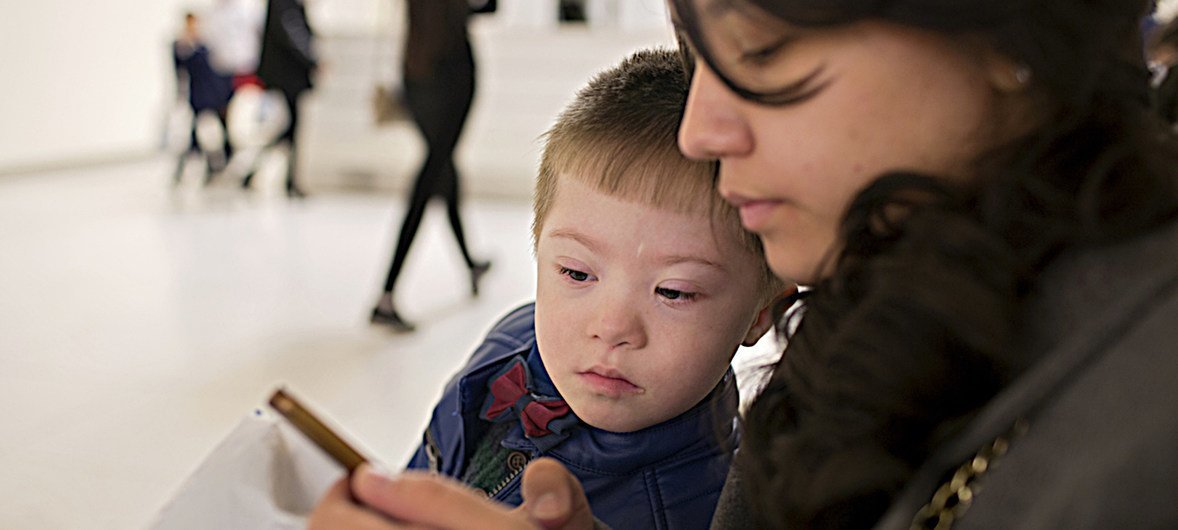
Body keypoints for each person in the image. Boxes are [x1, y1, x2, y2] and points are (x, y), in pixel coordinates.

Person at [311, 0, 1178, 527]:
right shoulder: (877, 301)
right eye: (697, 60)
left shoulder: (1138, 425)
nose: (702, 131)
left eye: (759, 53)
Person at [406, 48, 782, 529]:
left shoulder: (712, 512)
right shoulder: (515, 335)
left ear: (759, 314)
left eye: (674, 291)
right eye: (577, 275)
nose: (611, 327)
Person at [368, 0, 491, 332]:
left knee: (443, 169)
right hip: (450, 71)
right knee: (433, 172)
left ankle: (470, 264)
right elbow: (485, 8)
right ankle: (387, 295)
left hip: (416, 72)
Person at [247, 0, 317, 197]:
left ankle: (283, 178)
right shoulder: (284, 5)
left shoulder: (286, 6)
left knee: (288, 130)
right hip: (286, 77)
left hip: (287, 77)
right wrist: (313, 60)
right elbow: (294, 36)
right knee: (287, 128)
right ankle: (287, 180)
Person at [172, 12, 235, 185]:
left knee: (217, 132)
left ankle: (217, 164)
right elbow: (179, 70)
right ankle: (205, 165)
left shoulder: (206, 44)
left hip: (212, 93)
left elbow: (216, 70)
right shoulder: (183, 46)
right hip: (198, 95)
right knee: (195, 135)